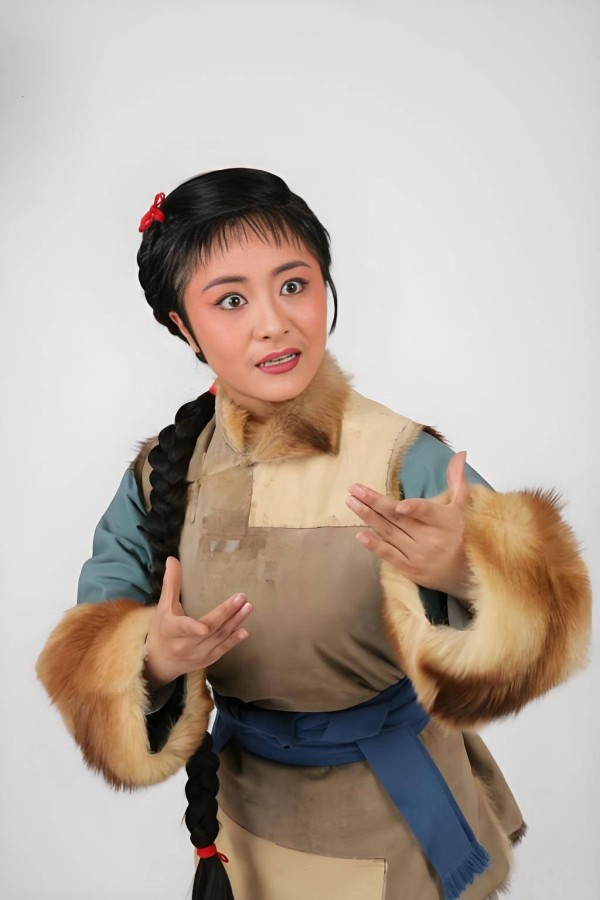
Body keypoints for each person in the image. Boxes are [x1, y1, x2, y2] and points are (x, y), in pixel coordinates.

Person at [36, 168, 591, 900]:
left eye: (294, 285)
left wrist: (463, 569)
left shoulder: (400, 458)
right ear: (182, 324)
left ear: (326, 287)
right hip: (244, 816)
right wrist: (154, 659)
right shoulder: (163, 473)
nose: (274, 322)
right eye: (231, 300)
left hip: (392, 814)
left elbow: (553, 616)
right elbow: (87, 647)